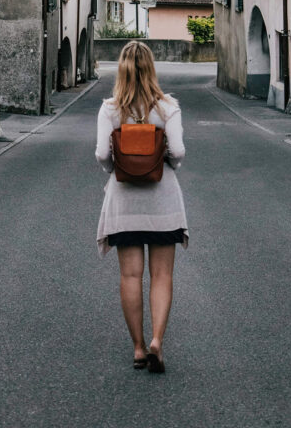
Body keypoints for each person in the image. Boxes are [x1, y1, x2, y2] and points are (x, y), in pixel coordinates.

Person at [95, 41, 188, 374]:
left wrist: (119, 171)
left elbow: (103, 156)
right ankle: (157, 342)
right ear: (152, 69)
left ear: (121, 69)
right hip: (162, 200)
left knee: (130, 275)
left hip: (124, 202)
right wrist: (160, 161)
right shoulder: (167, 108)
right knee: (162, 275)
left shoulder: (109, 109)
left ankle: (137, 348)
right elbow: (176, 152)